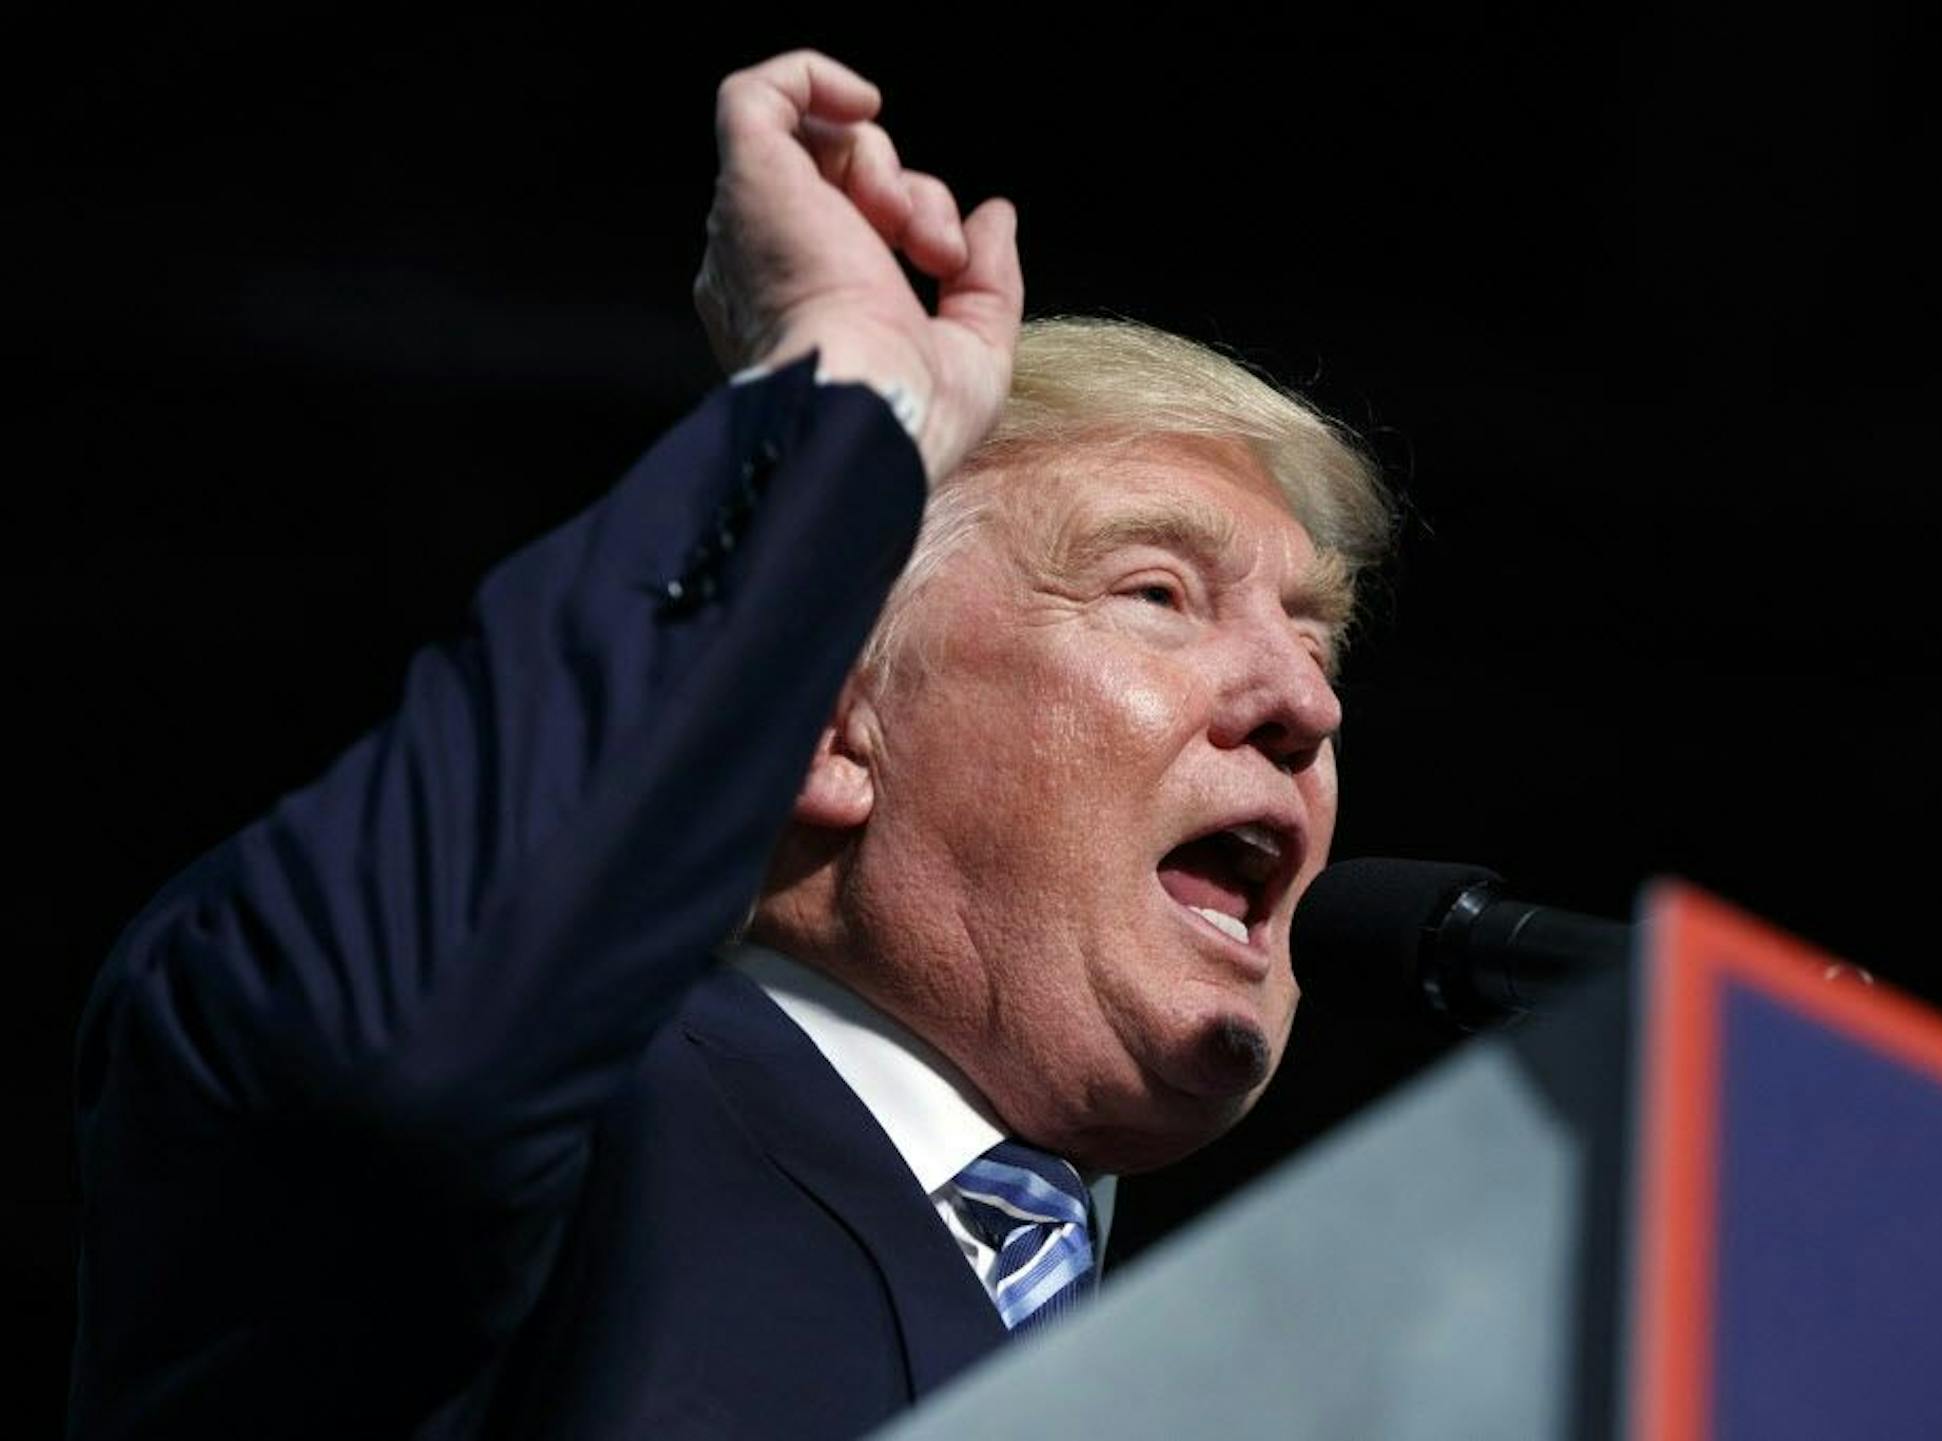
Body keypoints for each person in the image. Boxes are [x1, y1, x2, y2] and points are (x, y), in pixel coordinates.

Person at [68, 50, 1392, 1440]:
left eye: (1315, 641)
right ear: (827, 719)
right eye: (1157, 595)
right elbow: (389, 1061)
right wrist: (842, 395)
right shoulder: (581, 1156)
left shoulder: (1260, 1362)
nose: (1308, 706)